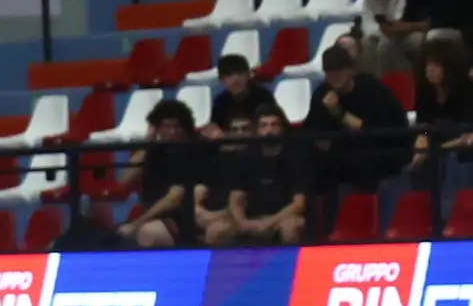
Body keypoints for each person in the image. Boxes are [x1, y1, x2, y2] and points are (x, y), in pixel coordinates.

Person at [304, 44, 411, 204]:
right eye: (329, 73)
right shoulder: (322, 94)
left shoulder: (372, 89)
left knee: (362, 161)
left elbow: (374, 132)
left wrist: (339, 113)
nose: (334, 77)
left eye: (339, 71)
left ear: (350, 70)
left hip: (380, 152)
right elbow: (314, 134)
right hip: (341, 159)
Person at [203, 106, 307, 246]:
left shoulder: (295, 157)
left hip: (283, 217)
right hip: (252, 216)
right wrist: (242, 223)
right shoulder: (246, 157)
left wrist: (269, 222)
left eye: (274, 125)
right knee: (216, 231)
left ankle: (286, 268)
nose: (269, 131)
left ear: (282, 128)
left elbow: (298, 204)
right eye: (263, 126)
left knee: (291, 228)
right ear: (256, 130)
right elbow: (236, 198)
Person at [117, 99, 204, 248]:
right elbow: (125, 180)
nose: (172, 132)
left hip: (179, 218)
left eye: (177, 127)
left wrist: (136, 224)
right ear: (157, 128)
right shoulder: (153, 151)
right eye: (166, 127)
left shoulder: (194, 151)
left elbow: (174, 198)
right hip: (152, 214)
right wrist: (147, 143)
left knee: (148, 233)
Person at [407, 34, 473, 210]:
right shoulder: (425, 91)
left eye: (437, 65)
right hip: (436, 145)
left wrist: (433, 148)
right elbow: (424, 123)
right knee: (413, 162)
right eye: (428, 64)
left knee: (453, 160)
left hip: (461, 148)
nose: (431, 70)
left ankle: (451, 216)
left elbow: (466, 133)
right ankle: (421, 216)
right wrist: (423, 138)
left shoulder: (466, 90)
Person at [206, 53, 275, 133]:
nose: (236, 78)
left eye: (240, 73)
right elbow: (217, 128)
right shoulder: (220, 102)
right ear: (221, 79)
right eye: (229, 74)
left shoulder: (263, 97)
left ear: (248, 75)